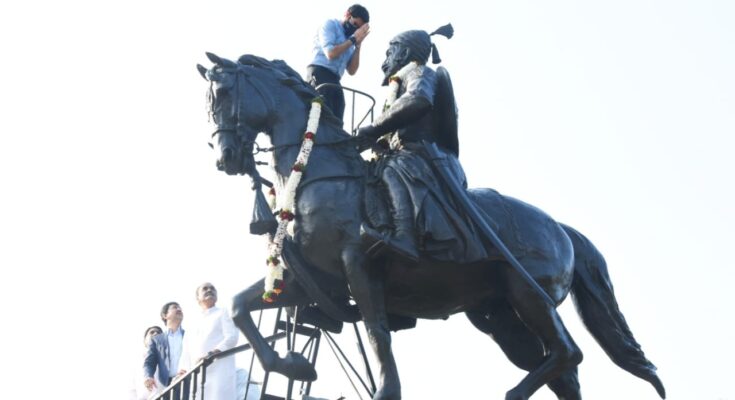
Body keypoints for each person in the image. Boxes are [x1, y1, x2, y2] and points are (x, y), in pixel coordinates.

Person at [356, 24, 489, 265]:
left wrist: (374, 128)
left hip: (424, 155)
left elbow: (419, 99)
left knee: (392, 169)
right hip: (407, 154)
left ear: (405, 54)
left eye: (389, 53)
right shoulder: (399, 84)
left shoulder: (418, 72)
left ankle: (404, 235)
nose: (384, 62)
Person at [307, 4, 370, 122]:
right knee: (323, 110)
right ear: (347, 15)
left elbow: (352, 70)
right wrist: (352, 40)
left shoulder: (351, 40)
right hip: (319, 73)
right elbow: (330, 53)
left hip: (335, 79)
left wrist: (358, 45)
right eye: (355, 24)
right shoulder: (330, 25)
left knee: (339, 109)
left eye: (358, 29)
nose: (354, 29)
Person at [181, 282, 240, 400]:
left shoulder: (223, 312)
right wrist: (182, 370)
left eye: (212, 288)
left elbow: (232, 336)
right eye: (205, 289)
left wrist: (212, 353)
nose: (209, 290)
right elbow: (186, 351)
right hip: (197, 373)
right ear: (198, 298)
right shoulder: (192, 322)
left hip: (220, 369)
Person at [143, 302, 189, 400]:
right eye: (175, 307)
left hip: (188, 380)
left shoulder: (189, 334)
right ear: (165, 315)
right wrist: (148, 376)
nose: (179, 309)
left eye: (180, 307)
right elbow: (149, 363)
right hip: (168, 386)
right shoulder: (157, 340)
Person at [128, 326, 163, 400]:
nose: (156, 333)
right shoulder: (136, 364)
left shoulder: (170, 360)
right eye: (152, 332)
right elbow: (131, 390)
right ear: (144, 341)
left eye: (159, 333)